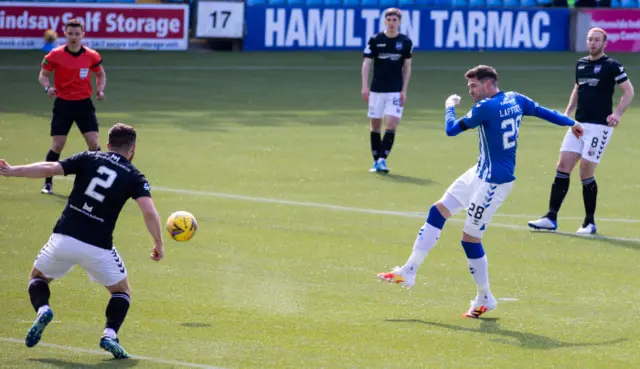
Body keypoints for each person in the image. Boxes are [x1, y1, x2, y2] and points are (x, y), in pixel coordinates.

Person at [377, 65, 584, 318]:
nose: (471, 92)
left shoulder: (486, 107)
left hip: (493, 183)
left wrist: (449, 106)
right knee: (438, 210)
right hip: (479, 172)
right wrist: (571, 122)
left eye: (473, 87)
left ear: (488, 84)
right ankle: (409, 270)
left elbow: (451, 129)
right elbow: (544, 112)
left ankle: (485, 296)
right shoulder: (516, 99)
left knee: (470, 239)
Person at [0, 123, 163, 359]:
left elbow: (49, 167)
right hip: (98, 247)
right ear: (133, 149)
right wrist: (159, 243)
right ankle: (109, 334)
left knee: (37, 277)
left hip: (63, 238)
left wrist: (12, 170)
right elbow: (149, 212)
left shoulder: (89, 157)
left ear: (108, 145)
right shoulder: (135, 176)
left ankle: (43, 310)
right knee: (121, 291)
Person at [528, 27, 634, 235]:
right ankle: (550, 217)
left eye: (597, 40)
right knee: (562, 165)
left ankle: (589, 222)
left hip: (600, 126)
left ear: (605, 43)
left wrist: (617, 114)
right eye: (590, 39)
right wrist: (567, 114)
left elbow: (628, 91)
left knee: (585, 171)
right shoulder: (581, 64)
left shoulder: (612, 65)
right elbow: (577, 89)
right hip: (578, 124)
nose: (593, 43)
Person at [39, 18, 107, 195]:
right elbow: (43, 75)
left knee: (93, 143)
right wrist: (48, 88)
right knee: (58, 145)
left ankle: (98, 180)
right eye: (70, 33)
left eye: (77, 34)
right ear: (65, 34)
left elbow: (100, 74)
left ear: (83, 35)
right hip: (63, 105)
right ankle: (48, 183)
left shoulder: (91, 55)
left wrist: (100, 90)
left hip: (84, 104)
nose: (74, 37)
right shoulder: (54, 55)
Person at [361, 8, 413, 173]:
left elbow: (407, 67)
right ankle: (377, 160)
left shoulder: (405, 42)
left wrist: (404, 90)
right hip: (376, 90)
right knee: (375, 125)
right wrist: (364, 86)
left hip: (395, 91)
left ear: (399, 22)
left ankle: (382, 159)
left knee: (391, 124)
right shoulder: (375, 39)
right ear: (385, 21)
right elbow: (367, 63)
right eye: (389, 20)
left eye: (395, 20)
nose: (392, 23)